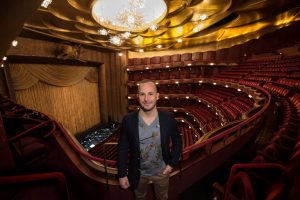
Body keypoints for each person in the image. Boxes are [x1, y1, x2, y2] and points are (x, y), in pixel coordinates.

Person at [117, 79, 182, 200]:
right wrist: (122, 174)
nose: (146, 99)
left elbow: (178, 141)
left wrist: (172, 164)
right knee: (140, 197)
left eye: (150, 94)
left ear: (157, 96)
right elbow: (123, 147)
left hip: (162, 172)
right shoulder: (128, 120)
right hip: (138, 173)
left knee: (162, 197)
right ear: (138, 96)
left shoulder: (168, 118)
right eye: (142, 94)